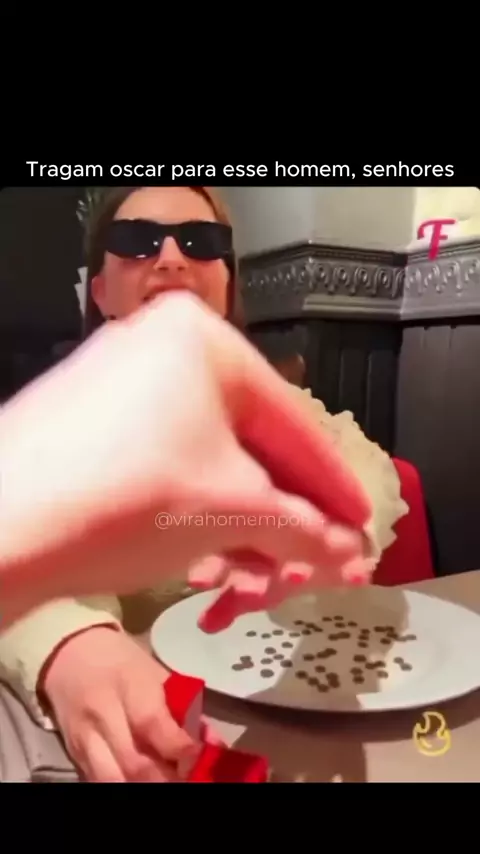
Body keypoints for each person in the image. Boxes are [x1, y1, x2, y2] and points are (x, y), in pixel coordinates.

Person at [0, 187, 407, 783]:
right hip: (138, 725)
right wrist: (68, 644)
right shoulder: (61, 422)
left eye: (201, 241)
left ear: (226, 287)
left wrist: (330, 530)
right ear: (100, 291)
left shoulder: (269, 402)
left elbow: (366, 467)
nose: (170, 258)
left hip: (283, 702)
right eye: (136, 241)